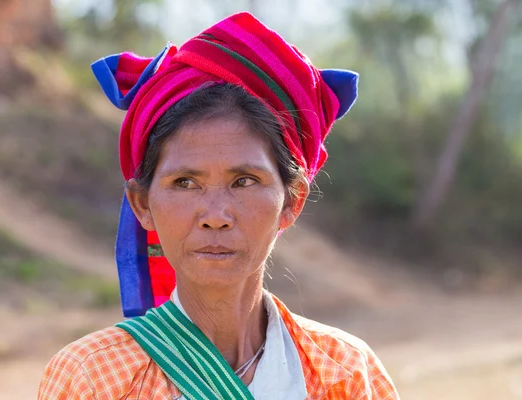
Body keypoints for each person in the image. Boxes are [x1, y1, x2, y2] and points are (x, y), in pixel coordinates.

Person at [38, 12, 400, 400]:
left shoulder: (345, 372)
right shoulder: (96, 379)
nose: (214, 216)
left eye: (244, 181)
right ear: (142, 204)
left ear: (292, 201)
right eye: (185, 183)